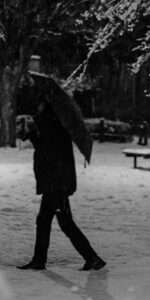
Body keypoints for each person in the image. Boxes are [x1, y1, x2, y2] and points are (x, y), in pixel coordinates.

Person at [18, 100, 106, 271]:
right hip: (56, 183)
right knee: (46, 221)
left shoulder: (53, 127)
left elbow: (48, 152)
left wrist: (34, 134)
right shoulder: (54, 125)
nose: (37, 107)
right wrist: (33, 134)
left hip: (56, 184)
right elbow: (46, 148)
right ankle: (40, 260)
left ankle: (91, 258)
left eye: (40, 105)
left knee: (63, 223)